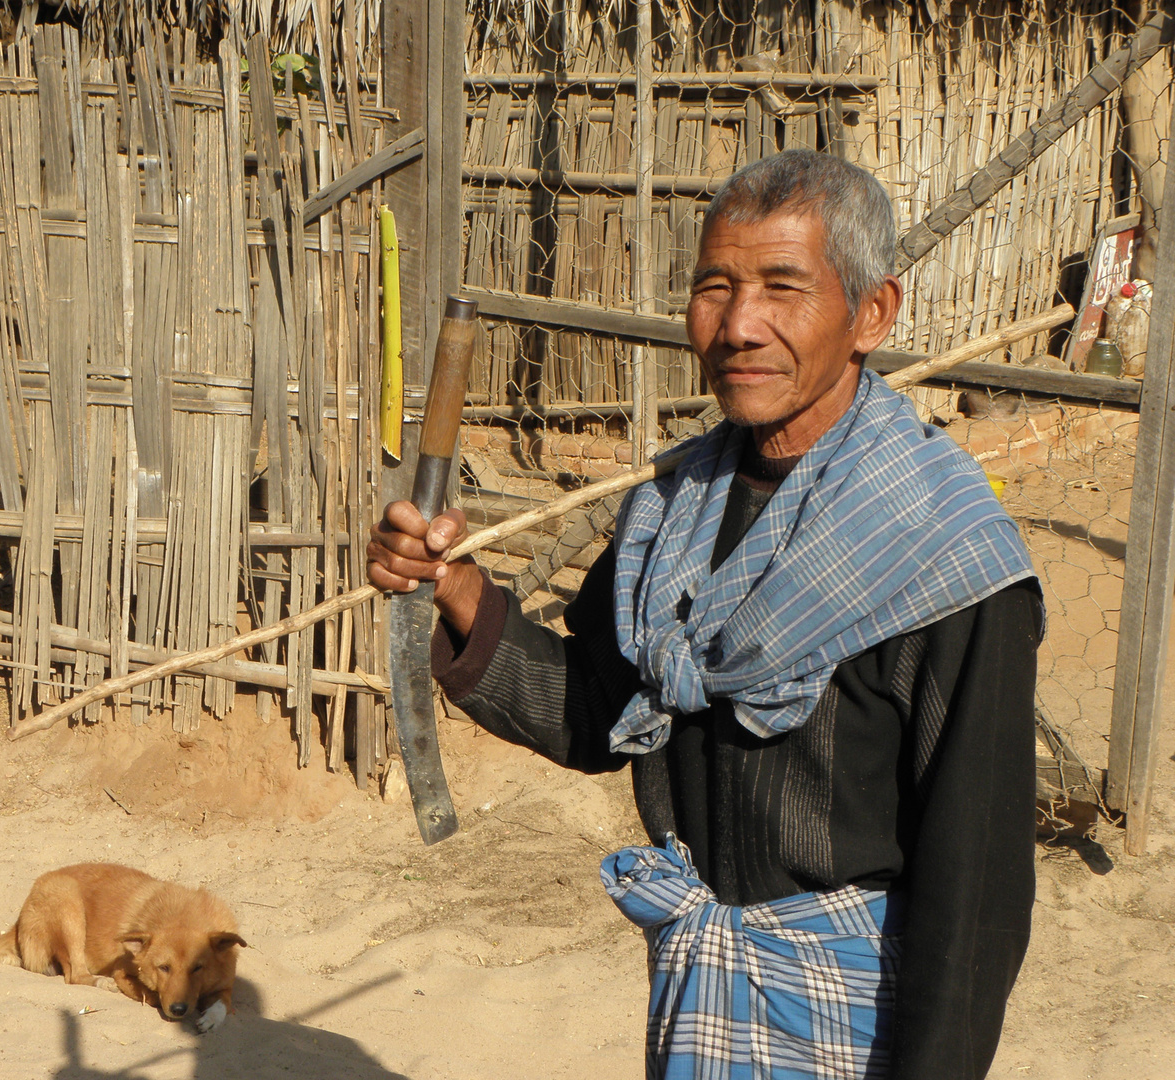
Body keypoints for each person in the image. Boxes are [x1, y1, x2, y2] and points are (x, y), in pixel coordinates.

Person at [367, 149, 1042, 1080]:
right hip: (702, 996)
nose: (738, 326)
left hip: (859, 1021)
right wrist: (457, 589)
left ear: (872, 313)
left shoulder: (944, 548)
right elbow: (598, 713)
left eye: (782, 286)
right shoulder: (675, 514)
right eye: (714, 287)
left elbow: (977, 890)